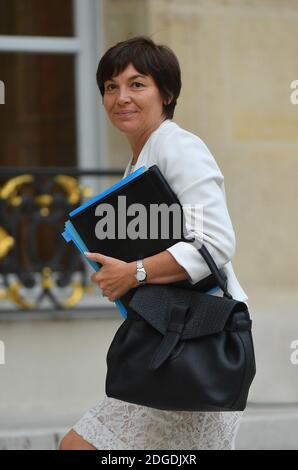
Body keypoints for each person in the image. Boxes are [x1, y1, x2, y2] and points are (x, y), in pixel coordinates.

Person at [59, 36, 248, 450]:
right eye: (111, 87)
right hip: (171, 334)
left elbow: (215, 242)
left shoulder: (177, 144)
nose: (121, 97)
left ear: (167, 93)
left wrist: (133, 273)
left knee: (78, 446)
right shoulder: (141, 158)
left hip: (200, 336)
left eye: (136, 84)